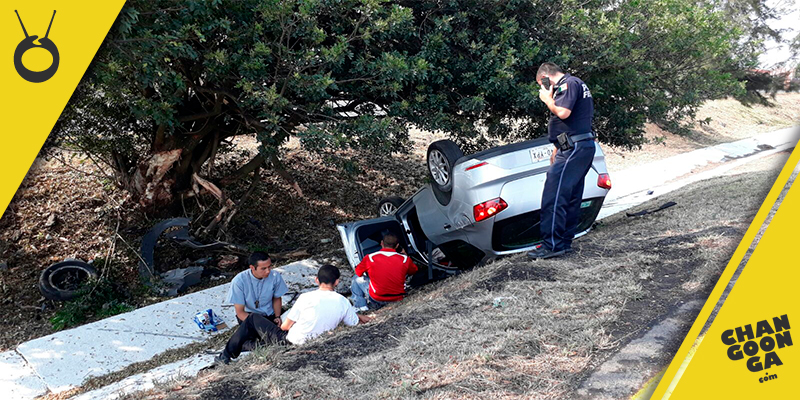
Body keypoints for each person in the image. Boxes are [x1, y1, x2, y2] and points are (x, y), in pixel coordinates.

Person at [217, 264, 371, 364]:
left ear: (317, 280)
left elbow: (284, 327)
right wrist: (359, 317)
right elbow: (353, 323)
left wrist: (281, 323)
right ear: (337, 282)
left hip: (290, 340)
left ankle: (225, 355)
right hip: (315, 340)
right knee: (257, 339)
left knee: (252, 319)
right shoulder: (343, 301)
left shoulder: (306, 298)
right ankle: (245, 345)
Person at [527, 62, 596, 260]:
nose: (542, 88)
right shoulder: (575, 84)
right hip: (577, 146)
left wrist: (547, 99)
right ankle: (563, 243)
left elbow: (563, 113)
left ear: (545, 78)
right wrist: (557, 147)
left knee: (554, 195)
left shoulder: (568, 84)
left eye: (541, 84)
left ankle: (552, 245)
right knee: (571, 196)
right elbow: (571, 122)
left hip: (575, 148)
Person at [350, 233, 418, 311]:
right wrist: (406, 256)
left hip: (377, 298)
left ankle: (361, 307)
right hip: (397, 298)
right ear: (397, 245)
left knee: (356, 278)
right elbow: (413, 270)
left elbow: (358, 273)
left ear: (382, 243)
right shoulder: (405, 259)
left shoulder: (370, 257)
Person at [227, 251, 288, 325]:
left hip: (270, 313)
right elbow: (240, 312)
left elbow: (277, 298)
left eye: (269, 267)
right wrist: (261, 325)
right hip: (250, 316)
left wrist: (277, 316)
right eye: (263, 268)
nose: (268, 271)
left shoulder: (275, 276)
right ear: (252, 268)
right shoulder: (239, 281)